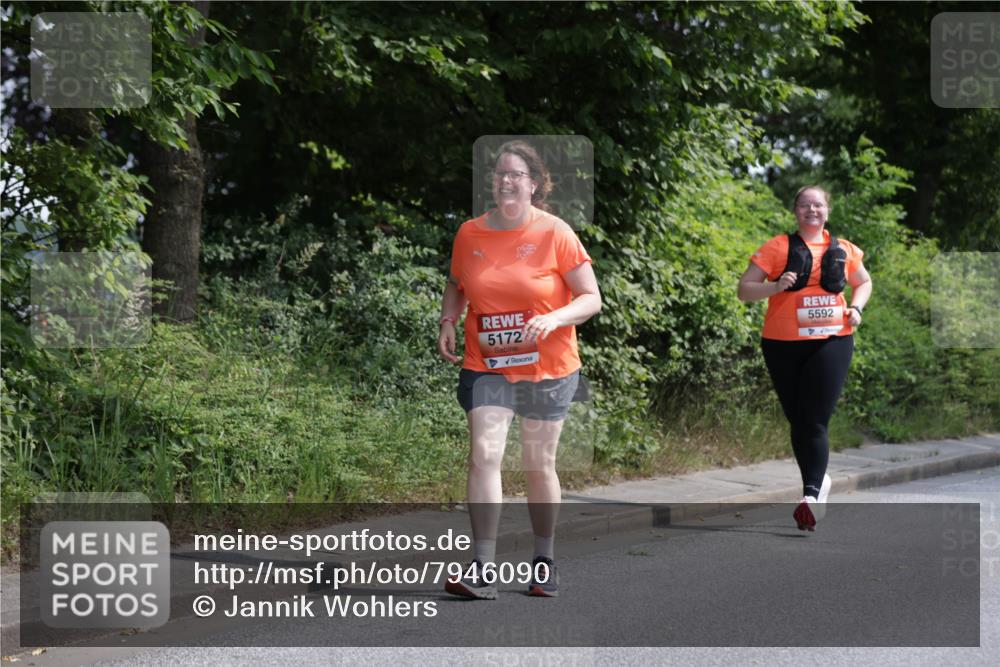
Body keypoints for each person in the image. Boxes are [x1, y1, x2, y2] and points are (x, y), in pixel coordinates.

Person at [438, 140, 601, 598]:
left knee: (537, 464)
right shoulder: (470, 234)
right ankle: (483, 568)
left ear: (534, 184)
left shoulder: (555, 232)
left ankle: (544, 560)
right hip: (488, 364)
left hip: (548, 367)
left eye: (516, 174)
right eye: (500, 174)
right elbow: (456, 284)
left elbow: (591, 298)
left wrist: (555, 318)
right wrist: (448, 319)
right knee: (484, 455)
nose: (506, 181)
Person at [737, 185, 872, 531]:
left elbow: (864, 282)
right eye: (805, 205)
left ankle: (811, 496)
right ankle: (818, 481)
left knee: (814, 420)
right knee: (798, 419)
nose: (812, 210)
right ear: (795, 210)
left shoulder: (844, 249)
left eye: (818, 205)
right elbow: (744, 290)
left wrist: (856, 308)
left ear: (827, 210)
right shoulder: (777, 247)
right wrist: (775, 286)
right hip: (781, 343)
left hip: (832, 340)